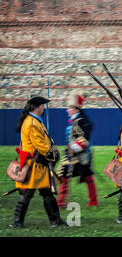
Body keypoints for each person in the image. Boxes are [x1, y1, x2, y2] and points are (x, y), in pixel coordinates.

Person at [11, 95, 65, 228]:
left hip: (38, 164)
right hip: (33, 164)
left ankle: (55, 221)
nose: (44, 108)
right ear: (37, 107)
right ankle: (17, 222)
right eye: (42, 105)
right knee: (27, 193)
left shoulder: (35, 121)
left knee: (46, 192)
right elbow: (40, 144)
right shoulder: (32, 123)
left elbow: (44, 141)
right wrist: (51, 153)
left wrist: (51, 148)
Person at [56, 92, 97, 208]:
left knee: (87, 177)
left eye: (69, 107)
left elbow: (84, 139)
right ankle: (61, 201)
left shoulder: (82, 121)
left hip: (81, 155)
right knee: (64, 176)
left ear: (75, 108)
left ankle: (93, 201)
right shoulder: (76, 120)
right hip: (72, 153)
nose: (67, 110)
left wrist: (74, 147)